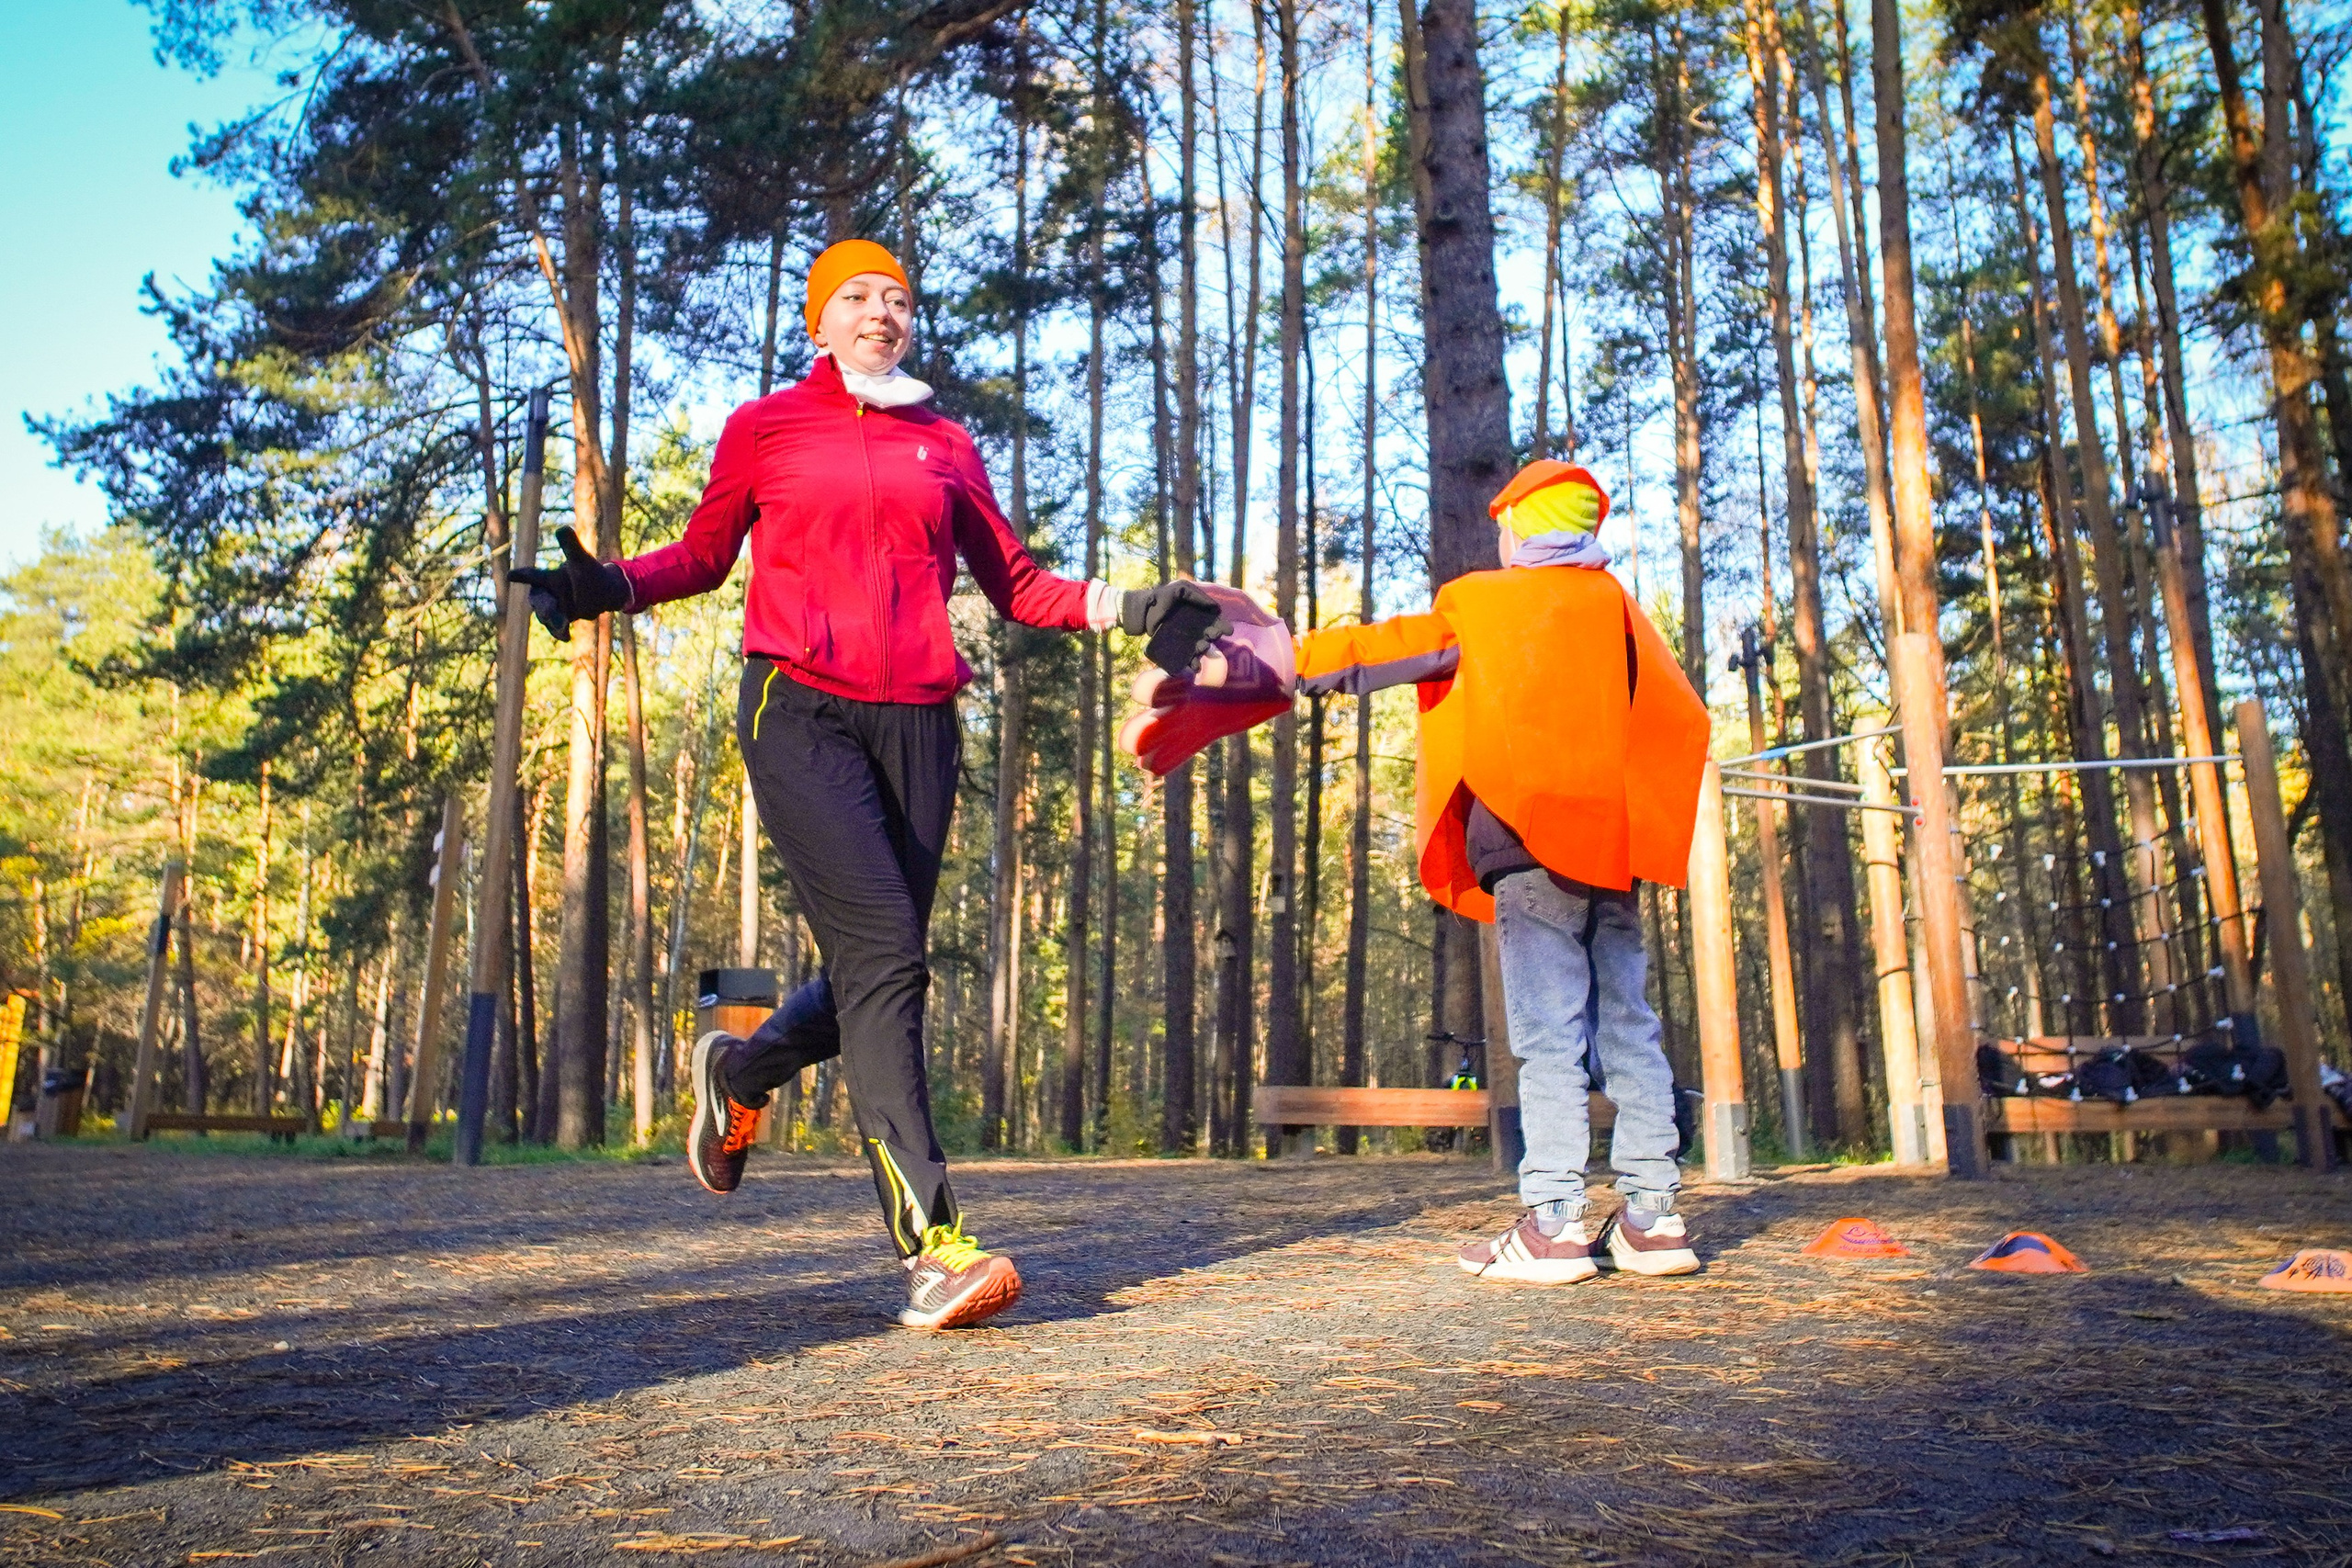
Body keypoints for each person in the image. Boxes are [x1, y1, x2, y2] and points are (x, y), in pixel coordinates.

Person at [511, 238, 1225, 1329]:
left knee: (876, 968)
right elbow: (704, 556)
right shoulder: (767, 427)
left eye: (896, 297)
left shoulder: (944, 442)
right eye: (857, 296)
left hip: (921, 724)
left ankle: (742, 1074)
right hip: (797, 709)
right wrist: (607, 585)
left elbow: (1017, 585)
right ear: (820, 320)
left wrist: (1128, 606)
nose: (881, 311)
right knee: (887, 961)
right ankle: (933, 1246)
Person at [1288, 461, 1711, 1282]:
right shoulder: (1615, 607)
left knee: (1550, 1038)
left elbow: (1389, 649)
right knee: (1629, 1025)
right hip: (1614, 851)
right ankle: (1654, 1217)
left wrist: (1279, 657)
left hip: (1528, 847)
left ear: (1519, 530)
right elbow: (1677, 713)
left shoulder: (1485, 601)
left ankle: (1555, 1224)